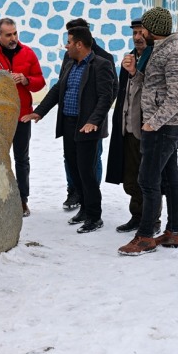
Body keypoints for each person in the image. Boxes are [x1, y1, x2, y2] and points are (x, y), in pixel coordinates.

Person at [22, 26, 116, 233]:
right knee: (74, 170)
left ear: (80, 44)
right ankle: (83, 208)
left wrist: (94, 121)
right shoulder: (70, 63)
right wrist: (39, 112)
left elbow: (105, 97)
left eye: (69, 42)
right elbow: (58, 90)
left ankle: (94, 215)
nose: (66, 45)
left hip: (87, 127)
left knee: (86, 172)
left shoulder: (101, 64)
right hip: (69, 125)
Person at [118, 6, 178, 256]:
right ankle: (174, 232)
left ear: (152, 30)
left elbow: (176, 96)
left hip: (163, 127)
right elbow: (151, 85)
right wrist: (133, 74)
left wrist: (153, 123)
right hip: (159, 126)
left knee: (148, 181)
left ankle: (145, 236)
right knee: (170, 180)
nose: (141, 33)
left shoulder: (175, 53)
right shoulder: (158, 50)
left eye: (144, 29)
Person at [0, 17, 45, 217]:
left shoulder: (28, 53)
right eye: (8, 35)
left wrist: (26, 79)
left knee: (22, 159)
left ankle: (22, 199)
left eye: (15, 33)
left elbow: (40, 82)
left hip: (22, 116)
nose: (13, 38)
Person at [105, 18, 162, 233]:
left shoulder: (155, 59)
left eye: (141, 33)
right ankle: (136, 216)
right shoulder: (130, 58)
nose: (137, 37)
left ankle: (152, 220)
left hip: (147, 128)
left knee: (148, 178)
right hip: (127, 127)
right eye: (134, 33)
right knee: (130, 178)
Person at [60, 18, 118, 210]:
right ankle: (76, 193)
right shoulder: (69, 58)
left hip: (91, 122)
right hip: (71, 120)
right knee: (73, 161)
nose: (67, 45)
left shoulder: (103, 59)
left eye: (70, 40)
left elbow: (110, 91)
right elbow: (62, 85)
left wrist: (94, 116)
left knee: (91, 163)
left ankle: (92, 198)